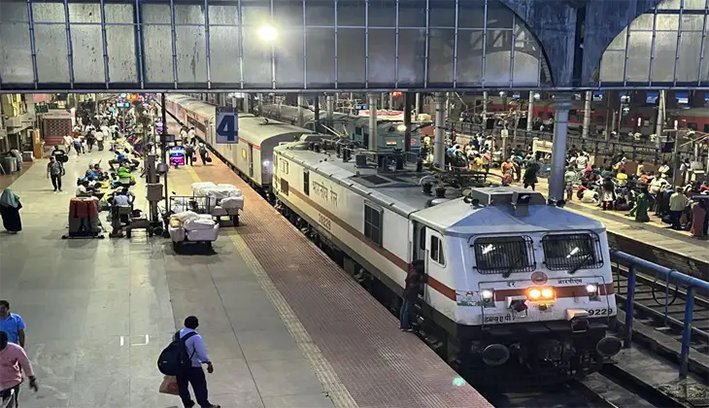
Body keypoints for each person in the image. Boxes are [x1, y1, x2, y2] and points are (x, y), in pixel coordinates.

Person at [175, 316, 220, 408]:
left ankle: (187, 403)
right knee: (200, 387)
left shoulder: (177, 335)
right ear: (196, 325)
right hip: (193, 367)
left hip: (179, 367)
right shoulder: (195, 337)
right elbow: (201, 354)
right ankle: (204, 404)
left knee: (183, 387)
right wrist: (208, 362)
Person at [0, 331, 37, 407]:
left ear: (5, 342)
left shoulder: (16, 350)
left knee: (10, 403)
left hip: (11, 382)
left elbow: (25, 364)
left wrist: (32, 379)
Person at [400, 261, 423, 332]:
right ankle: (405, 326)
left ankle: (402, 325)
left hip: (406, 292)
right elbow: (412, 285)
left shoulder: (411, 271)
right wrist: (420, 282)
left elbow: (407, 281)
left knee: (403, 309)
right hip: (411, 294)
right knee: (407, 311)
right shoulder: (416, 275)